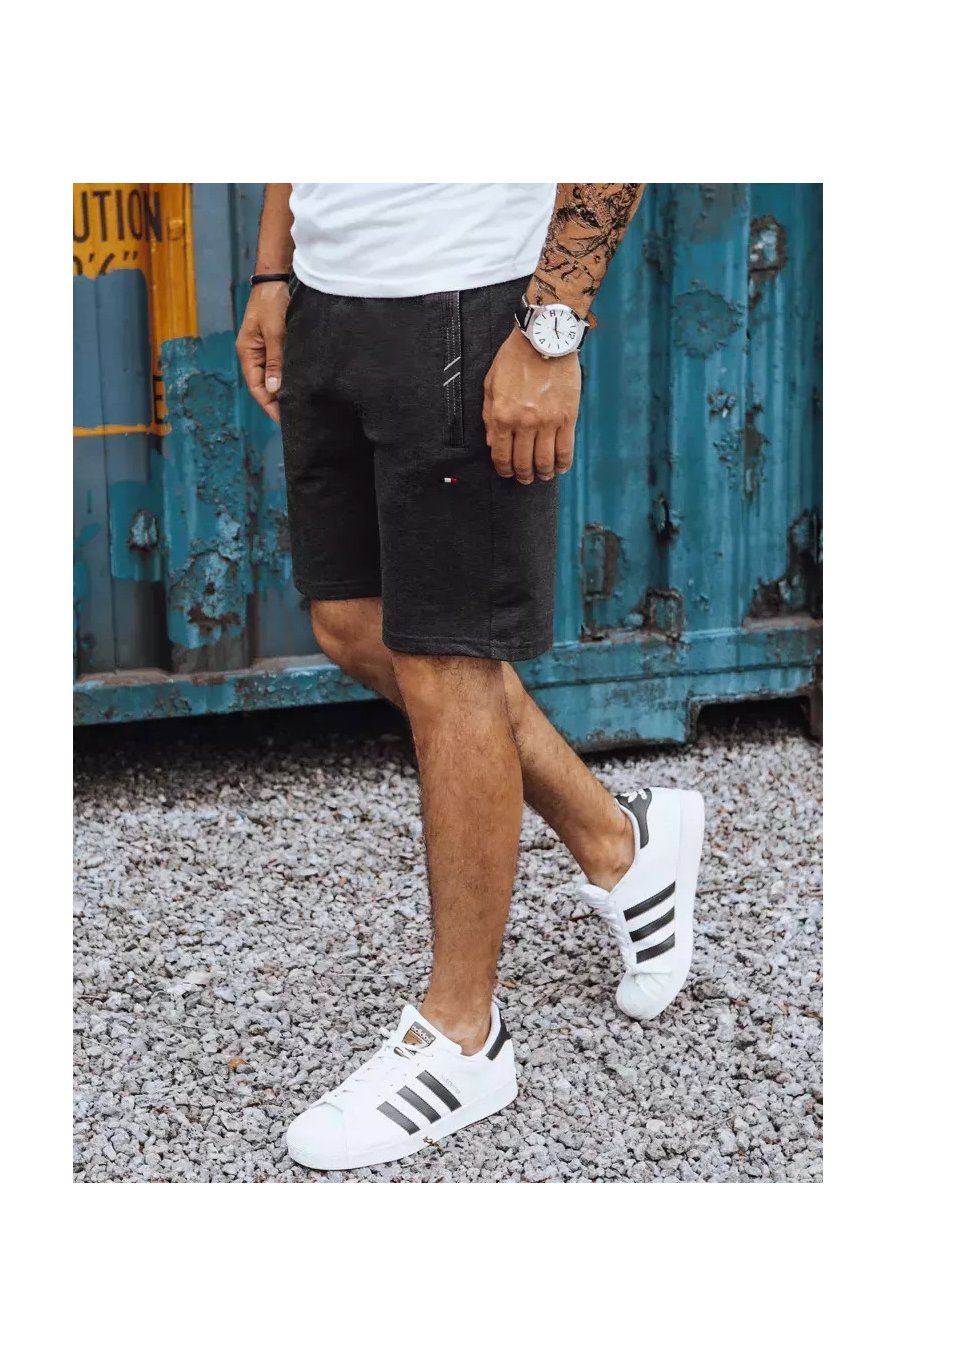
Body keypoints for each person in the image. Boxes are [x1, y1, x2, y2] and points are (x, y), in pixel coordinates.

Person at [236, 184, 705, 1172]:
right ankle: (617, 839)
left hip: (462, 297)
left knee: (448, 658)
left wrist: (550, 329)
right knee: (351, 623)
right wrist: (274, 268)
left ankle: (463, 1036)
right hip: (329, 298)